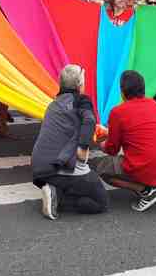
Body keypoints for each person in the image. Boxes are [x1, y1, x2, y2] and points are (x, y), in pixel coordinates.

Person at [91, 70, 156, 212]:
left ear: (122, 92)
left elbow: (112, 149)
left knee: (103, 168)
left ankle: (146, 191)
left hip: (150, 166)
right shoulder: (154, 105)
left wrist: (99, 142)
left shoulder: (118, 112)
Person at [32, 64, 109, 219]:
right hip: (60, 165)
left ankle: (55, 188)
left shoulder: (53, 104)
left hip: (39, 168)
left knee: (77, 182)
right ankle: (58, 198)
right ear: (79, 85)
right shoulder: (81, 100)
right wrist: (82, 148)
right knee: (100, 202)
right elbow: (89, 121)